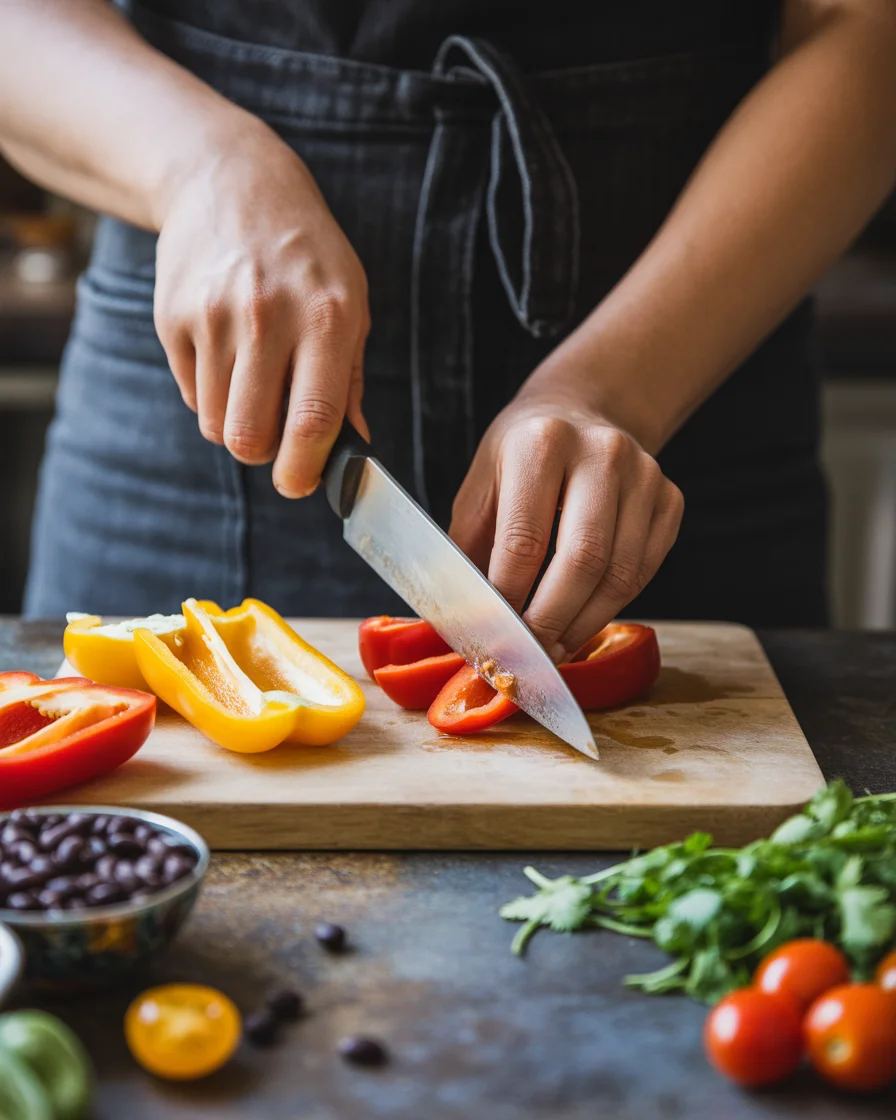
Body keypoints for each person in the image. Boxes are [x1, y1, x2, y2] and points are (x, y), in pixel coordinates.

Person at [3, 2, 895, 660]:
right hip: (200, 387)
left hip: (697, 340)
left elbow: (865, 28)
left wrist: (616, 389)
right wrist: (203, 167)